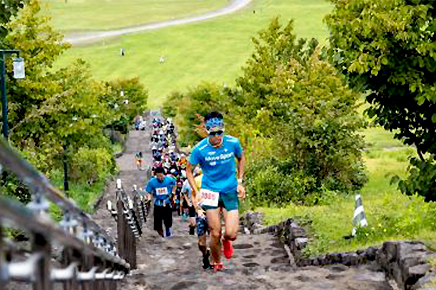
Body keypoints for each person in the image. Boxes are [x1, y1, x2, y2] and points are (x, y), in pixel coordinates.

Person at [186, 111, 246, 271]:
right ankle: (217, 261)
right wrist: (196, 191)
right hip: (210, 191)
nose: (217, 137)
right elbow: (189, 171)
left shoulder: (233, 143)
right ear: (207, 131)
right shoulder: (200, 149)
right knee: (215, 232)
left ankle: (227, 241)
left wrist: (240, 181)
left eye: (220, 133)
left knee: (231, 234)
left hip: (229, 189)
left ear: (223, 129)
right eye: (213, 134)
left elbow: (241, 158)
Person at [145, 167, 177, 237]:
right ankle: (161, 234)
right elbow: (149, 191)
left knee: (168, 219)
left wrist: (173, 192)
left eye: (161, 176)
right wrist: (149, 199)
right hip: (158, 203)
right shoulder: (152, 182)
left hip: (167, 202)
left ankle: (168, 229)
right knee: (157, 222)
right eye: (158, 176)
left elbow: (175, 183)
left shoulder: (169, 179)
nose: (160, 178)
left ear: (164, 174)